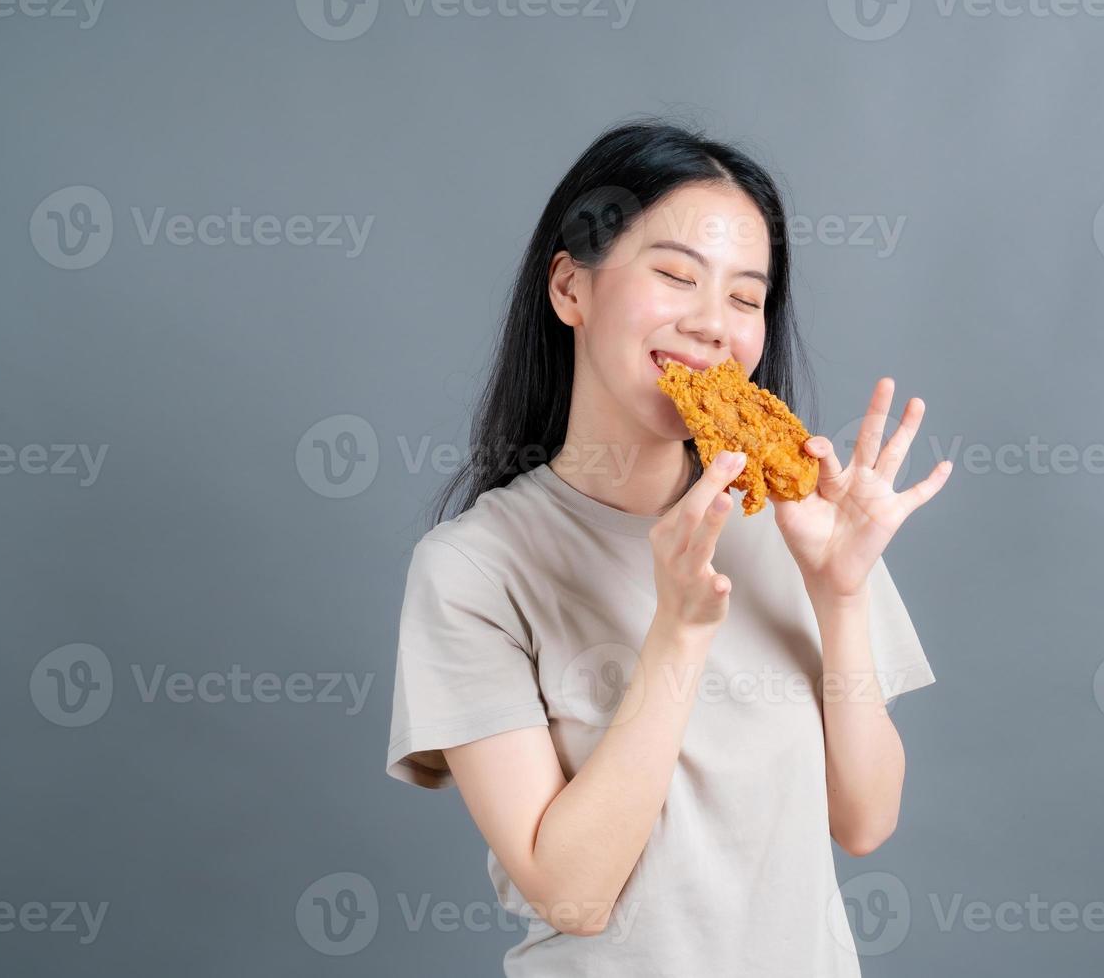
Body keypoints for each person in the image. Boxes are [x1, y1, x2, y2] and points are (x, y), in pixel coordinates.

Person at [384, 117, 953, 976]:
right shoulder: (474, 570)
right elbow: (571, 894)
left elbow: (865, 821)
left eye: (745, 297)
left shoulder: (794, 525)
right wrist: (678, 631)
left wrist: (839, 594)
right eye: (677, 276)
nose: (714, 326)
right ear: (571, 289)